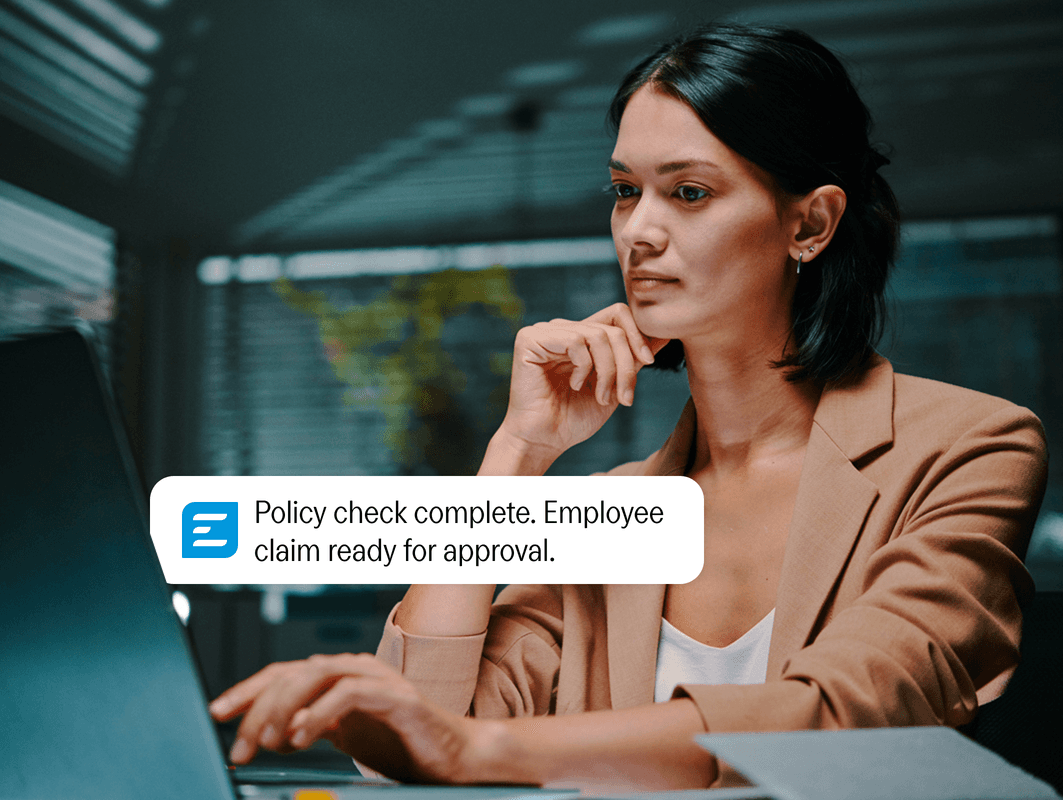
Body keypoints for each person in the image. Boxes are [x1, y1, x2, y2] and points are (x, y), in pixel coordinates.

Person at [208, 23, 1047, 790]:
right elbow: (420, 743)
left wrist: (476, 751)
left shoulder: (970, 447)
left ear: (811, 224)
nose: (637, 232)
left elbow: (845, 718)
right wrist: (517, 453)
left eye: (687, 193)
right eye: (623, 190)